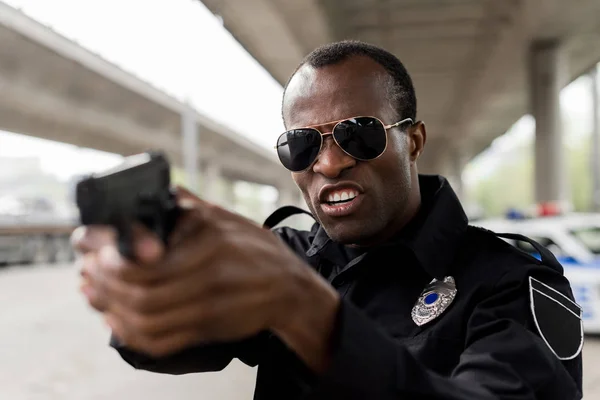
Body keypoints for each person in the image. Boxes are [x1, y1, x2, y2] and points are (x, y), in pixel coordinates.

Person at [74, 40, 584, 399]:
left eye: (358, 134)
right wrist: (145, 292)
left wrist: (308, 312)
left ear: (414, 140)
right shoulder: (285, 259)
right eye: (302, 144)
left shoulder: (510, 280)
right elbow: (174, 346)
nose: (329, 162)